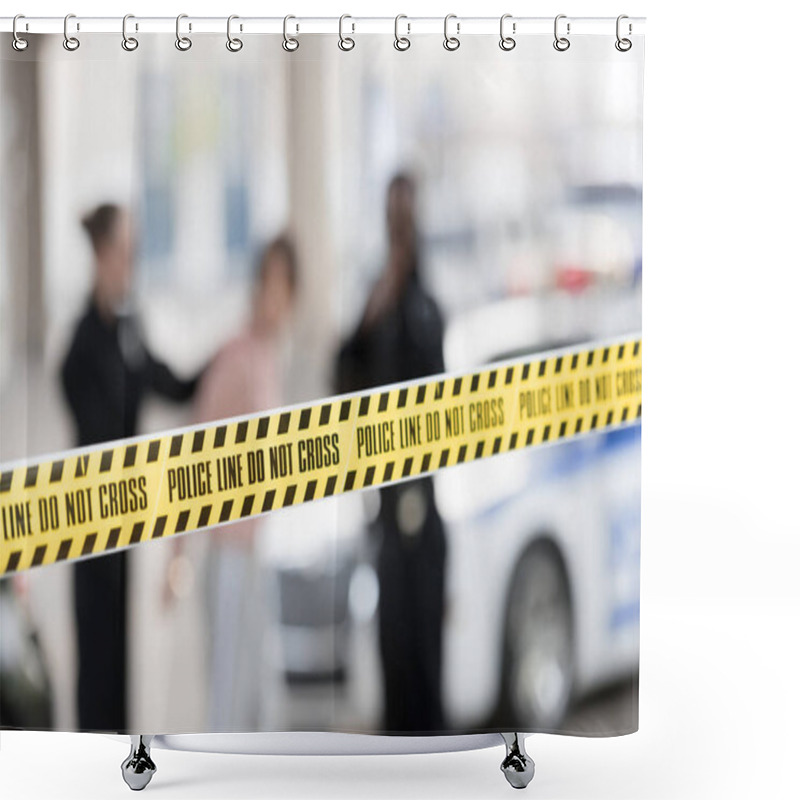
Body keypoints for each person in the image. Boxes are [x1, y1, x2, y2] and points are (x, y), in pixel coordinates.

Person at [61, 203, 200, 732]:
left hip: (127, 532)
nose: (131, 263)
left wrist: (220, 364)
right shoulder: (79, 348)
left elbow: (166, 380)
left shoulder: (131, 327)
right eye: (124, 251)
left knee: (125, 673)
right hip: (89, 533)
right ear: (101, 255)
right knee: (96, 669)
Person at [336, 173, 448, 734]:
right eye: (391, 214)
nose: (398, 226)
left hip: (421, 515)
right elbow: (343, 376)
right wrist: (375, 306)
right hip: (386, 512)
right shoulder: (378, 301)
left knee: (423, 659)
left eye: (406, 214)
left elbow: (439, 394)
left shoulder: (427, 306)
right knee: (393, 651)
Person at [187, 235, 298, 731]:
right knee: (228, 705)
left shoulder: (272, 357)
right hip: (228, 554)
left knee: (261, 700)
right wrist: (175, 555)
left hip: (259, 550)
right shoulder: (234, 354)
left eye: (285, 286)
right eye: (268, 282)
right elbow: (192, 449)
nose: (275, 297)